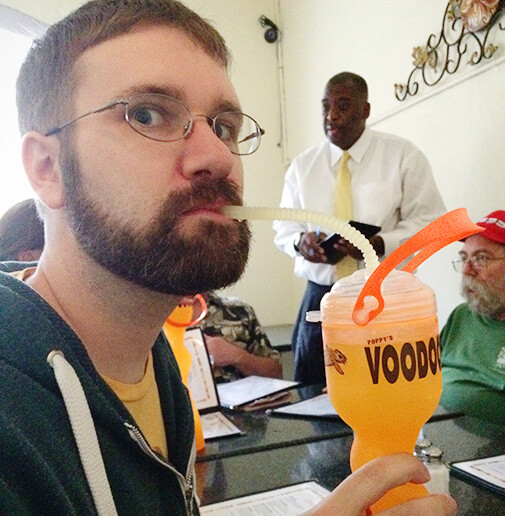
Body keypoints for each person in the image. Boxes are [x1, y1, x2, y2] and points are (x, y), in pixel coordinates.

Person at [0, 2, 456, 514]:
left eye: (224, 126)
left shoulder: (159, 366)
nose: (219, 157)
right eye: (147, 114)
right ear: (46, 167)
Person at [273, 72, 446, 385]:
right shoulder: (303, 166)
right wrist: (302, 243)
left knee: (387, 393)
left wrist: (379, 243)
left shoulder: (402, 156)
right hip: (321, 300)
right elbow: (284, 226)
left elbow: (432, 221)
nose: (331, 115)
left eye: (342, 106)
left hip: (383, 297)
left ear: (365, 110)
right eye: (325, 106)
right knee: (314, 400)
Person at [440, 210, 505, 426]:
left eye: (481, 258)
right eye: (463, 259)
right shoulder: (462, 315)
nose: (467, 270)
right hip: (431, 438)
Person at [196, 292, 282, 382]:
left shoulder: (239, 310)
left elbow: (276, 375)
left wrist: (236, 355)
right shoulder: (180, 317)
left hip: (243, 394)